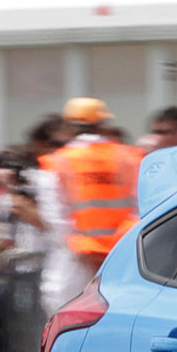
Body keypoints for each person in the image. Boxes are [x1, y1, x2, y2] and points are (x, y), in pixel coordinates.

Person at [38, 97, 143, 282]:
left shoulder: (58, 162)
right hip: (124, 254)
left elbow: (55, 216)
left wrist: (77, 248)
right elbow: (140, 206)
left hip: (78, 258)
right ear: (102, 125)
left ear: (68, 126)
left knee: (70, 308)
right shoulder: (130, 157)